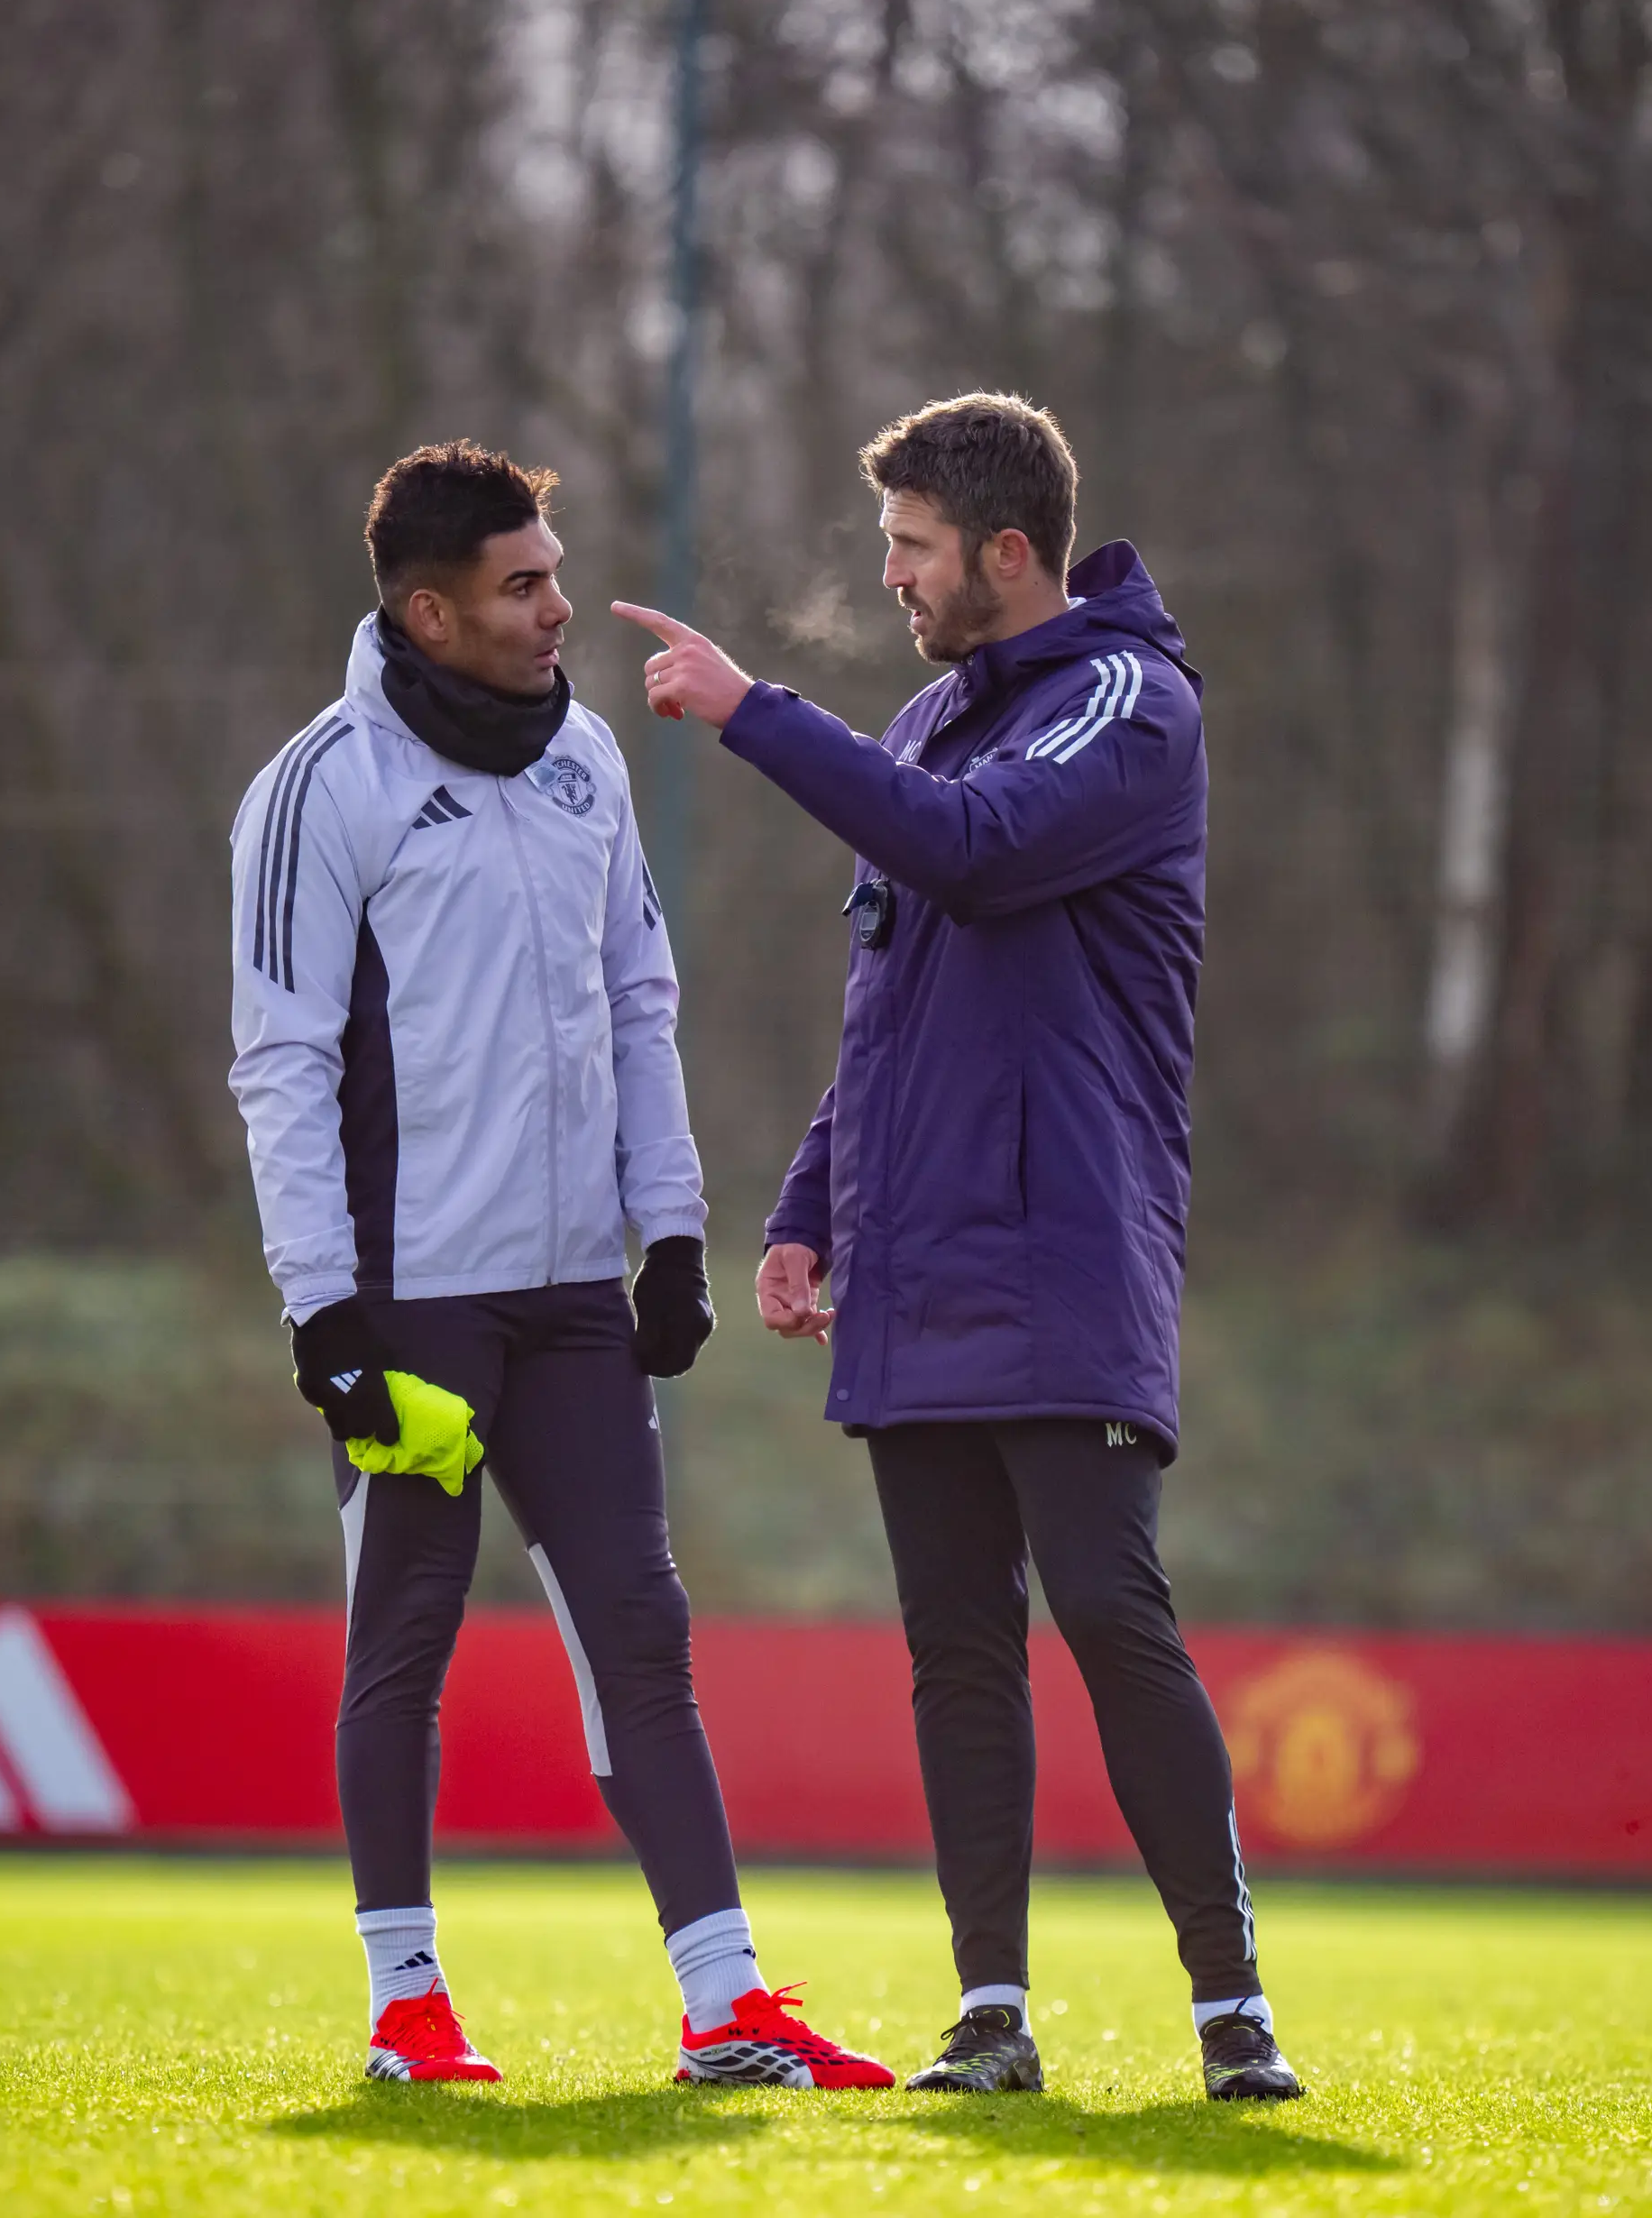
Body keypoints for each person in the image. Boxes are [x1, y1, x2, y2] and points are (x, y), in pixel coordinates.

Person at [611, 393, 1301, 2102]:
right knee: (955, 1648)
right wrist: (810, 1205)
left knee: (1109, 1610)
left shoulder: (1134, 703)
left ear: (1007, 550)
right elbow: (894, 1001)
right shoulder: (928, 719)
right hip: (916, 1269)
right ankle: (989, 2016)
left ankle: (1234, 2015)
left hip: (1064, 1250)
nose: (896, 576)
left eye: (914, 548)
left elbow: (980, 860)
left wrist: (757, 713)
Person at [227, 440, 891, 2093]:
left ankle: (728, 2007)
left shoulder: (589, 755)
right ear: (427, 609)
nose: (559, 606)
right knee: (407, 1638)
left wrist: (668, 1230)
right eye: (524, 584)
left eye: (556, 569)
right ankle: (405, 2010)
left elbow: (639, 999)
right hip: (413, 1307)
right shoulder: (321, 788)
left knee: (644, 1636)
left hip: (577, 1298)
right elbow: (281, 1067)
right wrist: (324, 1315)